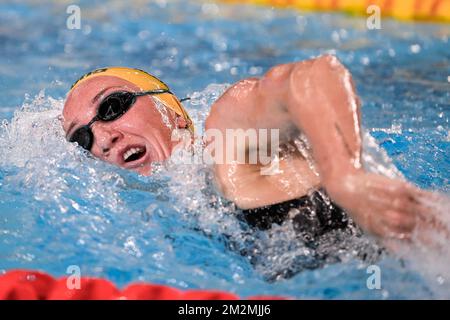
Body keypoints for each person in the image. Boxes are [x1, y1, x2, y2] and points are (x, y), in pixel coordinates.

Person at [62, 55, 446, 244]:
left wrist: (345, 178)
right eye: (83, 139)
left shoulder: (227, 138)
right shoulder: (177, 212)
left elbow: (313, 75)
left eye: (112, 107)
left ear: (172, 112)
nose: (104, 137)